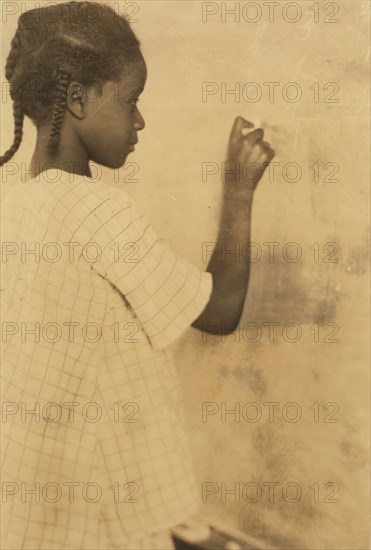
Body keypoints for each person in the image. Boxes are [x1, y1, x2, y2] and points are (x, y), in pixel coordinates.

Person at [0, 2, 275, 549]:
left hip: (30, 483)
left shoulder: (14, 202)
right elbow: (219, 314)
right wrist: (240, 190)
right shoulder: (98, 211)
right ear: (78, 100)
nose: (140, 120)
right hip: (96, 497)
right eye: (131, 101)